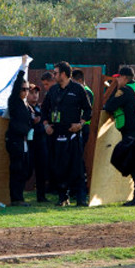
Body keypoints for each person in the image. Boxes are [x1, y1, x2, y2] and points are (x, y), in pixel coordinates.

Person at [42, 61, 92, 207]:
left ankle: (81, 198)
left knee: (76, 166)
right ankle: (63, 197)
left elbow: (88, 110)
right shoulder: (53, 91)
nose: (54, 75)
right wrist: (46, 125)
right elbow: (44, 109)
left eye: (56, 73)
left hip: (73, 134)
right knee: (59, 167)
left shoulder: (78, 89)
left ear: (63, 74)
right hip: (57, 134)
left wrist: (80, 124)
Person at [103, 66, 135, 206]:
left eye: (118, 77)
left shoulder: (125, 90)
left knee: (133, 164)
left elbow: (109, 106)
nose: (117, 79)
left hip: (132, 131)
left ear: (124, 77)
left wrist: (114, 92)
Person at [7, 55, 32, 206]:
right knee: (17, 169)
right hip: (15, 140)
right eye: (23, 89)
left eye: (27, 89)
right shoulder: (14, 100)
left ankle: (20, 196)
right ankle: (16, 198)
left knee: (25, 170)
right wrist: (23, 67)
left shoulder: (25, 104)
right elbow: (17, 84)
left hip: (24, 141)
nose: (25, 91)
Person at [26, 83, 49, 202]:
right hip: (29, 143)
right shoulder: (25, 108)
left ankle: (41, 196)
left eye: (36, 93)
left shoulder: (40, 108)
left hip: (41, 142)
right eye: (31, 92)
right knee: (27, 170)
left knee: (42, 170)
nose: (34, 95)